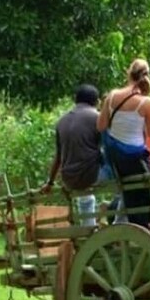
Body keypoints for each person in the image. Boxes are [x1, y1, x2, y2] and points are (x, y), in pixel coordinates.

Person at [97, 59, 150, 234]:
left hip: (117, 159)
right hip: (137, 158)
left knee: (130, 195)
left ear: (128, 74)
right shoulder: (147, 103)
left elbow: (100, 126)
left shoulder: (111, 97)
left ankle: (140, 231)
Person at [42, 84, 105, 226]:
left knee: (86, 196)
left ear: (76, 101)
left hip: (69, 178)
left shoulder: (61, 121)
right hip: (90, 176)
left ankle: (89, 228)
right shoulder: (97, 117)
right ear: (96, 101)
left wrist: (50, 182)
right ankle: (115, 220)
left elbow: (58, 157)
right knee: (124, 185)